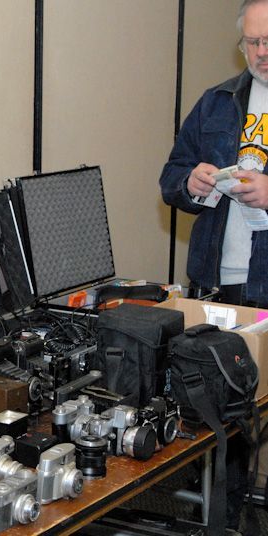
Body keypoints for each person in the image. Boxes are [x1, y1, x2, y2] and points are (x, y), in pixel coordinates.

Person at [160, 1, 268, 530]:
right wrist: (193, 184)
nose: (262, 52)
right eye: (253, 42)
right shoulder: (217, 102)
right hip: (217, 285)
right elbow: (171, 178)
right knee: (221, 412)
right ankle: (226, 516)